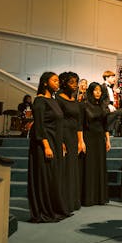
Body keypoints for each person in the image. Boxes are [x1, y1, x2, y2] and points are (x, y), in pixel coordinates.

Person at [27, 72, 70, 223]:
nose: (58, 83)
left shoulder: (53, 100)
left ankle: (55, 207)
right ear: (45, 83)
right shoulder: (39, 101)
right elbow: (39, 126)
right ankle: (44, 211)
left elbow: (57, 124)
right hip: (44, 143)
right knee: (45, 177)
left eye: (58, 81)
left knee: (54, 177)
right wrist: (46, 146)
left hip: (55, 142)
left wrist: (62, 143)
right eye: (54, 80)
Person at [56, 71, 84, 212]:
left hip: (73, 136)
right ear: (64, 83)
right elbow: (58, 121)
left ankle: (73, 200)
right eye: (71, 82)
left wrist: (81, 141)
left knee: (73, 168)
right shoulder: (58, 99)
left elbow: (79, 122)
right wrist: (60, 141)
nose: (75, 85)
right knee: (65, 168)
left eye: (76, 82)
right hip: (63, 135)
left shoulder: (75, 99)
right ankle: (63, 201)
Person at [81, 82, 111, 206]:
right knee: (89, 166)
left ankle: (100, 197)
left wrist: (108, 140)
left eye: (100, 90)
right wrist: (81, 141)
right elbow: (81, 125)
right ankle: (88, 197)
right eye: (95, 90)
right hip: (88, 137)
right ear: (91, 91)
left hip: (100, 138)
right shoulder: (84, 105)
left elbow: (106, 125)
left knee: (99, 165)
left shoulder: (103, 106)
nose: (98, 92)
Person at [102, 70, 121, 135]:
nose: (114, 79)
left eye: (114, 77)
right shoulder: (103, 87)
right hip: (106, 109)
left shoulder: (111, 88)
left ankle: (113, 131)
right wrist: (108, 105)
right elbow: (102, 100)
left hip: (112, 108)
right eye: (112, 77)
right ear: (107, 78)